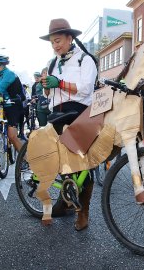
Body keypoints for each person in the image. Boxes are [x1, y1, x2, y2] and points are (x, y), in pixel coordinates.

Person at [39, 18, 97, 231]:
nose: (55, 45)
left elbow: (85, 89)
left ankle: (83, 213)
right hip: (57, 114)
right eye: (52, 42)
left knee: (83, 166)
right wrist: (46, 86)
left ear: (70, 38)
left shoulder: (85, 60)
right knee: (61, 163)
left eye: (58, 41)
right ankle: (64, 203)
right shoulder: (53, 62)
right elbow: (50, 94)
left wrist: (60, 83)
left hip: (79, 114)